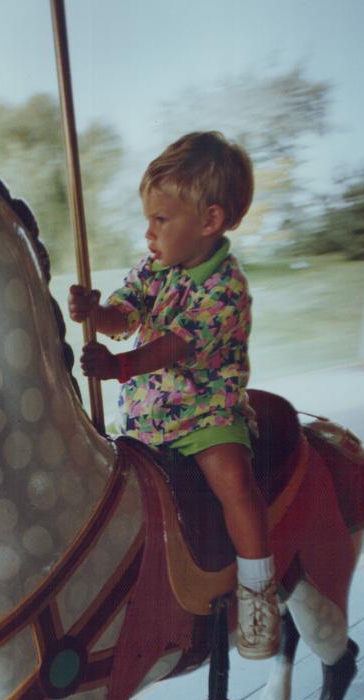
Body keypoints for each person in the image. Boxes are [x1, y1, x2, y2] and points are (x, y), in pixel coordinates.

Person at [68, 131, 280, 659]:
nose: (149, 232)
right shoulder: (151, 269)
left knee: (234, 481)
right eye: (149, 219)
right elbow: (127, 316)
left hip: (207, 415)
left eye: (161, 220)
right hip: (146, 419)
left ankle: (259, 593)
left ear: (209, 221)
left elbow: (169, 348)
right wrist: (96, 314)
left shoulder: (225, 288)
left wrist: (118, 366)